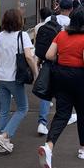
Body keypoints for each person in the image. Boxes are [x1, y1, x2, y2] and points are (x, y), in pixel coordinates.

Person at [37, 9, 84, 168]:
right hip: (80, 79)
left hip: (60, 77)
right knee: (82, 113)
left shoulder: (60, 35)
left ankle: (48, 146)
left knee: (62, 113)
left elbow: (49, 54)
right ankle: (83, 148)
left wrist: (63, 58)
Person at [0, 8, 38, 154]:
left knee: (4, 110)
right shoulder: (22, 35)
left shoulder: (0, 36)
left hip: (1, 78)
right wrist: (36, 73)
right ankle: (5, 136)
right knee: (23, 109)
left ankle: (1, 145)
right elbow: (29, 57)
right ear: (19, 21)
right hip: (15, 78)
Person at [44, 0, 78, 126]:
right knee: (64, 90)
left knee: (49, 85)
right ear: (71, 9)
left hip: (49, 56)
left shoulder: (49, 20)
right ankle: (66, 115)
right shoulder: (71, 23)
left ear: (59, 8)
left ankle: (43, 118)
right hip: (63, 59)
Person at [34, 7, 54, 136]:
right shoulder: (65, 26)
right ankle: (67, 115)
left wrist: (37, 64)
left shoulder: (38, 27)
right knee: (66, 92)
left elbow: (37, 46)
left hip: (45, 63)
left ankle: (42, 122)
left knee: (46, 93)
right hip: (61, 65)